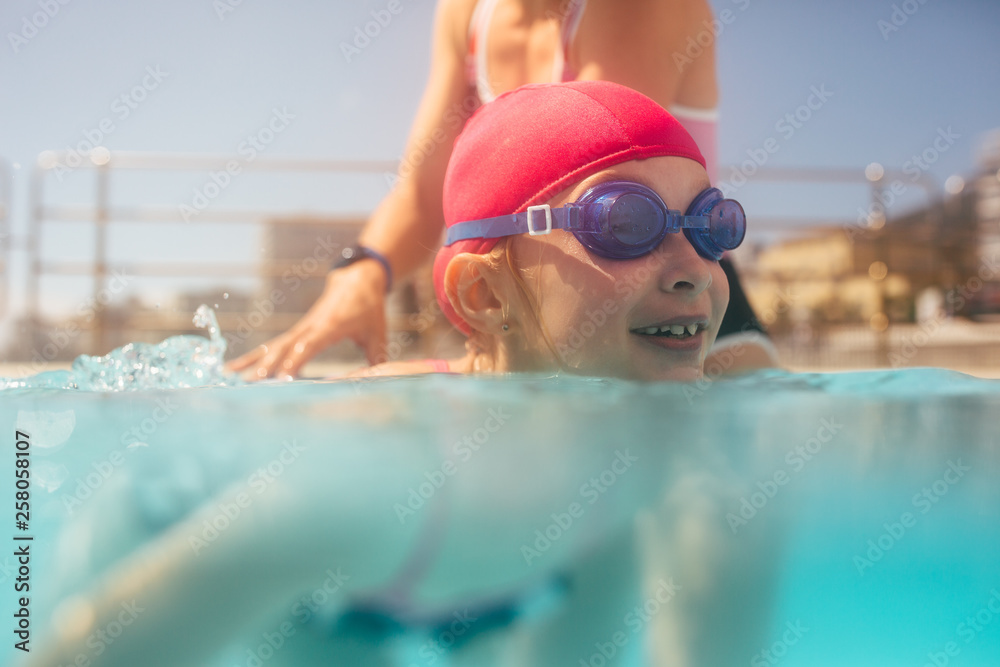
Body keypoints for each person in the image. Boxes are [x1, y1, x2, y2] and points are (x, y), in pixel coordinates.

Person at [26, 82, 766, 667]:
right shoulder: (375, 475)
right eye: (626, 224)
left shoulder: (647, 453)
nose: (695, 274)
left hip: (455, 588)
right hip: (230, 557)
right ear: (483, 295)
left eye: (711, 226)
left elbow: (587, 620)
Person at [228, 0, 775, 381]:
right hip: (557, 295)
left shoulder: (639, 5)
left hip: (680, 303)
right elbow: (422, 196)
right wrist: (361, 274)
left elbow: (611, 173)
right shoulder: (468, 13)